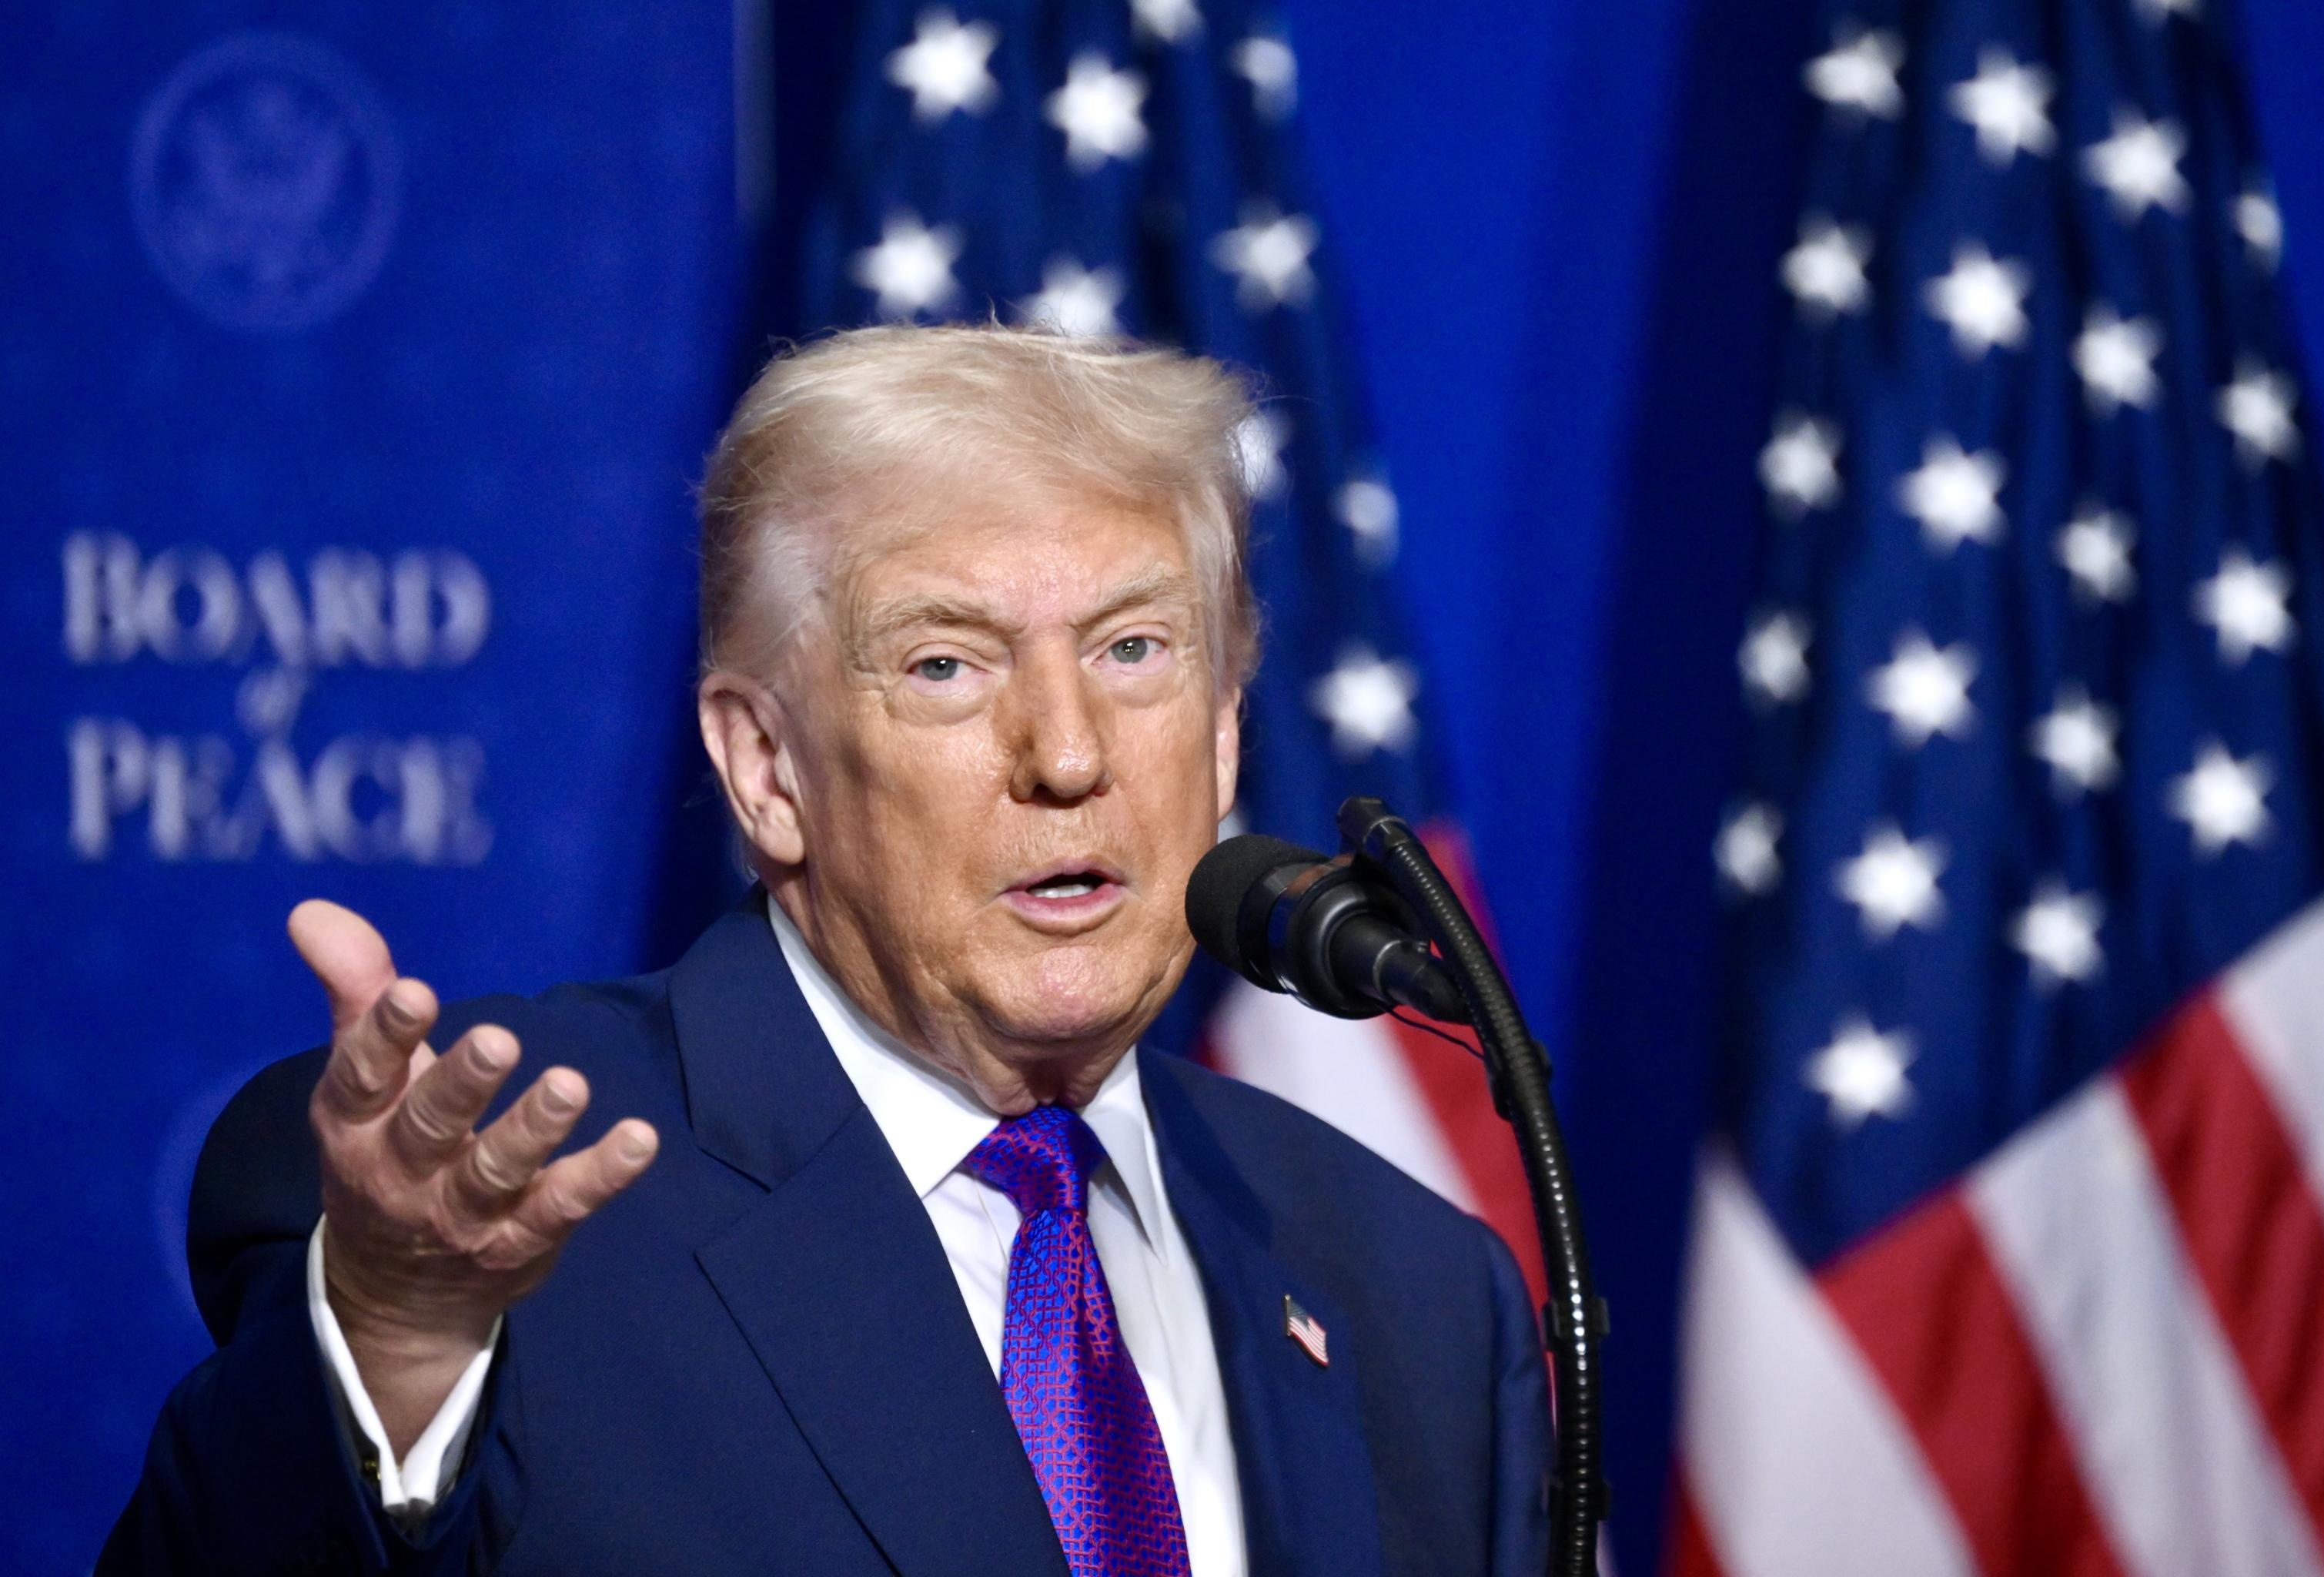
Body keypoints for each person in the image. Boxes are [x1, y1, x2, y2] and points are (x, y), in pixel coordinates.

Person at [100, 325, 1550, 1575]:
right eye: (945, 664)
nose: (1066, 753)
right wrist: (394, 1344)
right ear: (767, 766)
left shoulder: (1416, 1296)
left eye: (1134, 650)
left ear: (1228, 727)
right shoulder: (494, 1210)